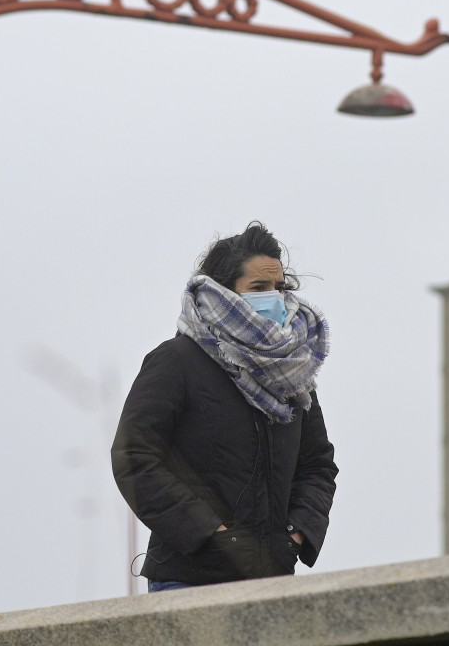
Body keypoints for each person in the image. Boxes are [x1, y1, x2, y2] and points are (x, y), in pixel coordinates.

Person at [111, 222, 337, 592]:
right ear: (224, 292)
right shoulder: (177, 361)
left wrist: (295, 536)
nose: (275, 298)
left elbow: (317, 465)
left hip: (273, 582)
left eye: (279, 287)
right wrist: (211, 534)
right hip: (187, 582)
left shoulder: (293, 376)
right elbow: (133, 457)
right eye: (259, 288)